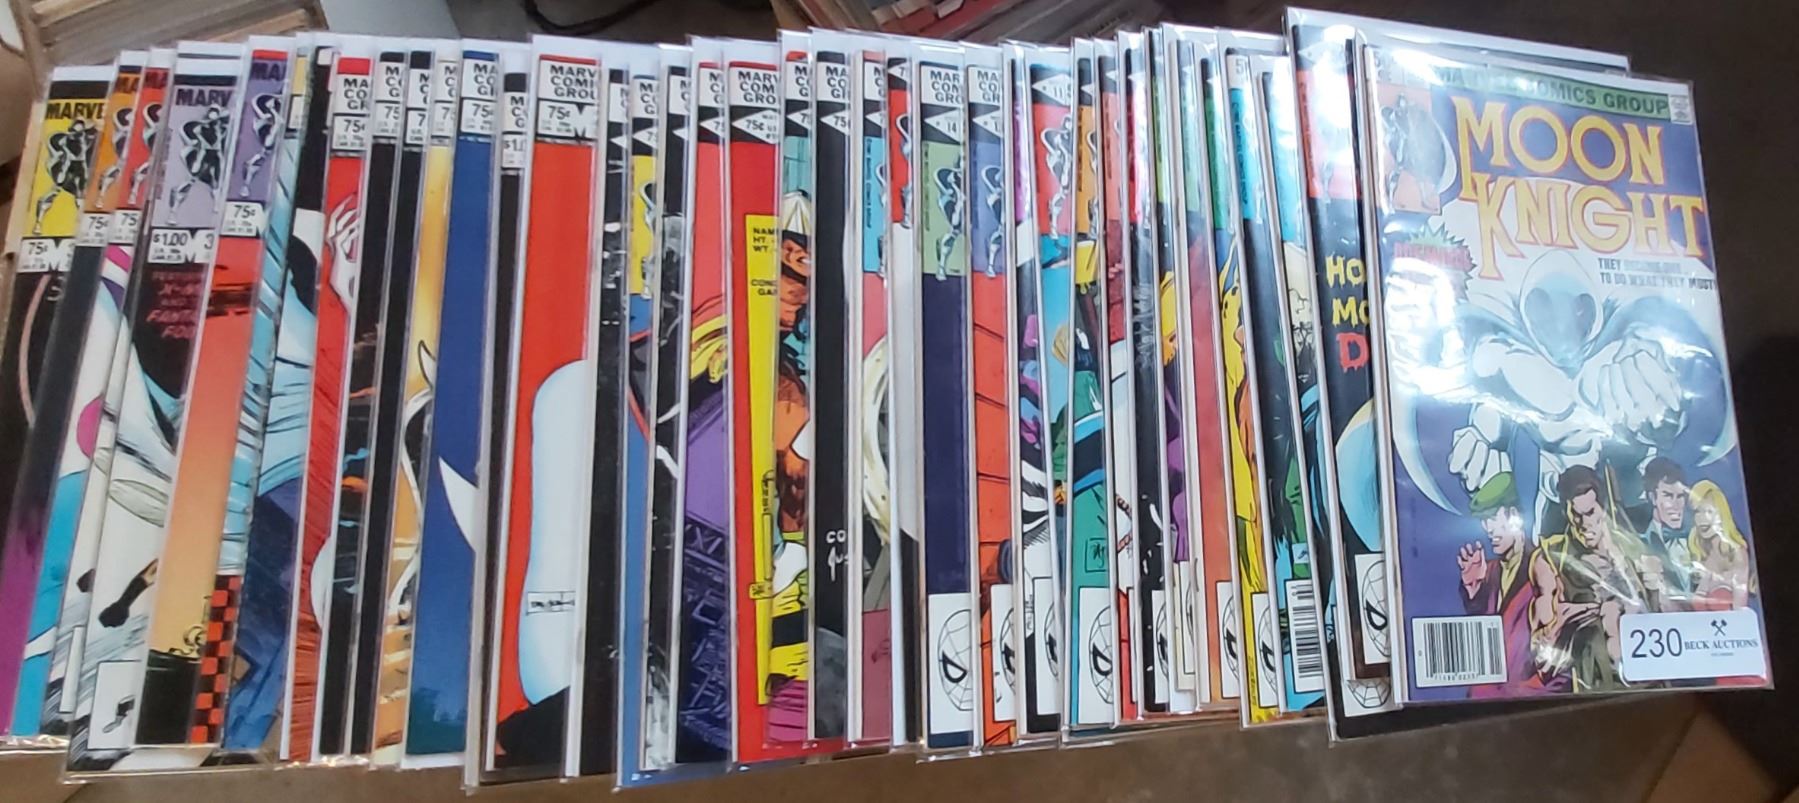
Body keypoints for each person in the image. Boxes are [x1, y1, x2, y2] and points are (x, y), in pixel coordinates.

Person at [1528, 465, 1653, 692]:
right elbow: (1542, 659)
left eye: (1590, 513)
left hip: (1655, 682)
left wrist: (1655, 588)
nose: (1584, 524)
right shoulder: (1551, 557)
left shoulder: (1633, 548)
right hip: (1599, 687)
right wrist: (1575, 615)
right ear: (1565, 511)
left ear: (1603, 508)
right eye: (1576, 515)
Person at [1455, 473, 1561, 695]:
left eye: (1493, 518)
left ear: (1513, 515)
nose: (1488, 528)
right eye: (1484, 521)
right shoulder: (1489, 571)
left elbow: (1556, 659)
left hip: (1529, 701)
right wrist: (1474, 593)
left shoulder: (1541, 568)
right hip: (1482, 701)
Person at [1687, 480, 1753, 610]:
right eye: (1698, 512)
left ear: (1722, 514)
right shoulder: (1695, 553)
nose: (1702, 518)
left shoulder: (1737, 554)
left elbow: (1740, 609)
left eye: (1709, 511)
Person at [1640, 456, 1694, 601]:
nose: (1676, 505)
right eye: (1668, 496)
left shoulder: (1697, 537)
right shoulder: (1640, 543)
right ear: (1653, 498)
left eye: (1680, 496)